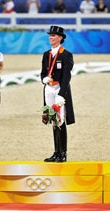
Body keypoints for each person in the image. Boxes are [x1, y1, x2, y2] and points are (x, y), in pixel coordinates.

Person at [41, 25, 75, 163]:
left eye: (54, 35)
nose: (51, 37)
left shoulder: (66, 55)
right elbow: (43, 71)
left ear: (60, 38)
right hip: (49, 89)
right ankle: (56, 152)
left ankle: (63, 153)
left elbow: (66, 76)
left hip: (59, 90)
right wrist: (44, 78)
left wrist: (62, 94)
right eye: (50, 35)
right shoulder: (46, 54)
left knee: (60, 121)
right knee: (53, 121)